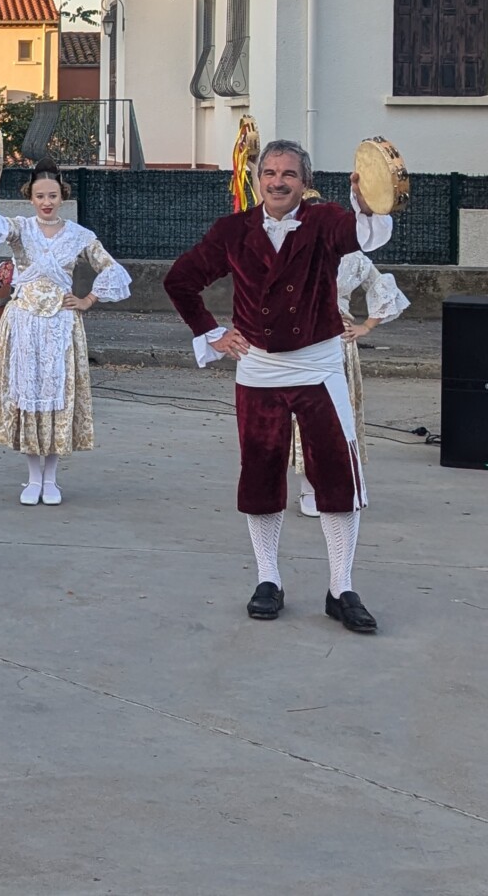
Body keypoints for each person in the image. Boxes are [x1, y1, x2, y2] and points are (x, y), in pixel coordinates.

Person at [163, 139, 393, 634]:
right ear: (257, 178)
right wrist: (213, 332)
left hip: (319, 368)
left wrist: (368, 201)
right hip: (259, 372)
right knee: (262, 474)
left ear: (304, 181)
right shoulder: (233, 231)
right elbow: (180, 279)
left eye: (288, 173)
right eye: (268, 172)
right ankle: (268, 579)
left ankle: (341, 588)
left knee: (337, 477)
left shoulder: (325, 221)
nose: (277, 181)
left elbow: (363, 235)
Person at [0, 155, 130, 505]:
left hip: (60, 325)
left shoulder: (79, 236)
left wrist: (88, 299)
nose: (47, 202)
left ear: (63, 197)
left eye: (53, 196)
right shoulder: (21, 229)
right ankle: (32, 478)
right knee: (28, 396)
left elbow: (112, 269)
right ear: (31, 197)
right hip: (24, 323)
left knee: (57, 396)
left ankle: (52, 478)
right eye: (41, 196)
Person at [292, 251, 409, 517]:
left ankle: (339, 483)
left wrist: (366, 326)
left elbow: (383, 287)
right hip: (300, 338)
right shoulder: (292, 244)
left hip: (338, 340)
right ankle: (309, 487)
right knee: (305, 414)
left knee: (338, 414)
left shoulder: (352, 256)